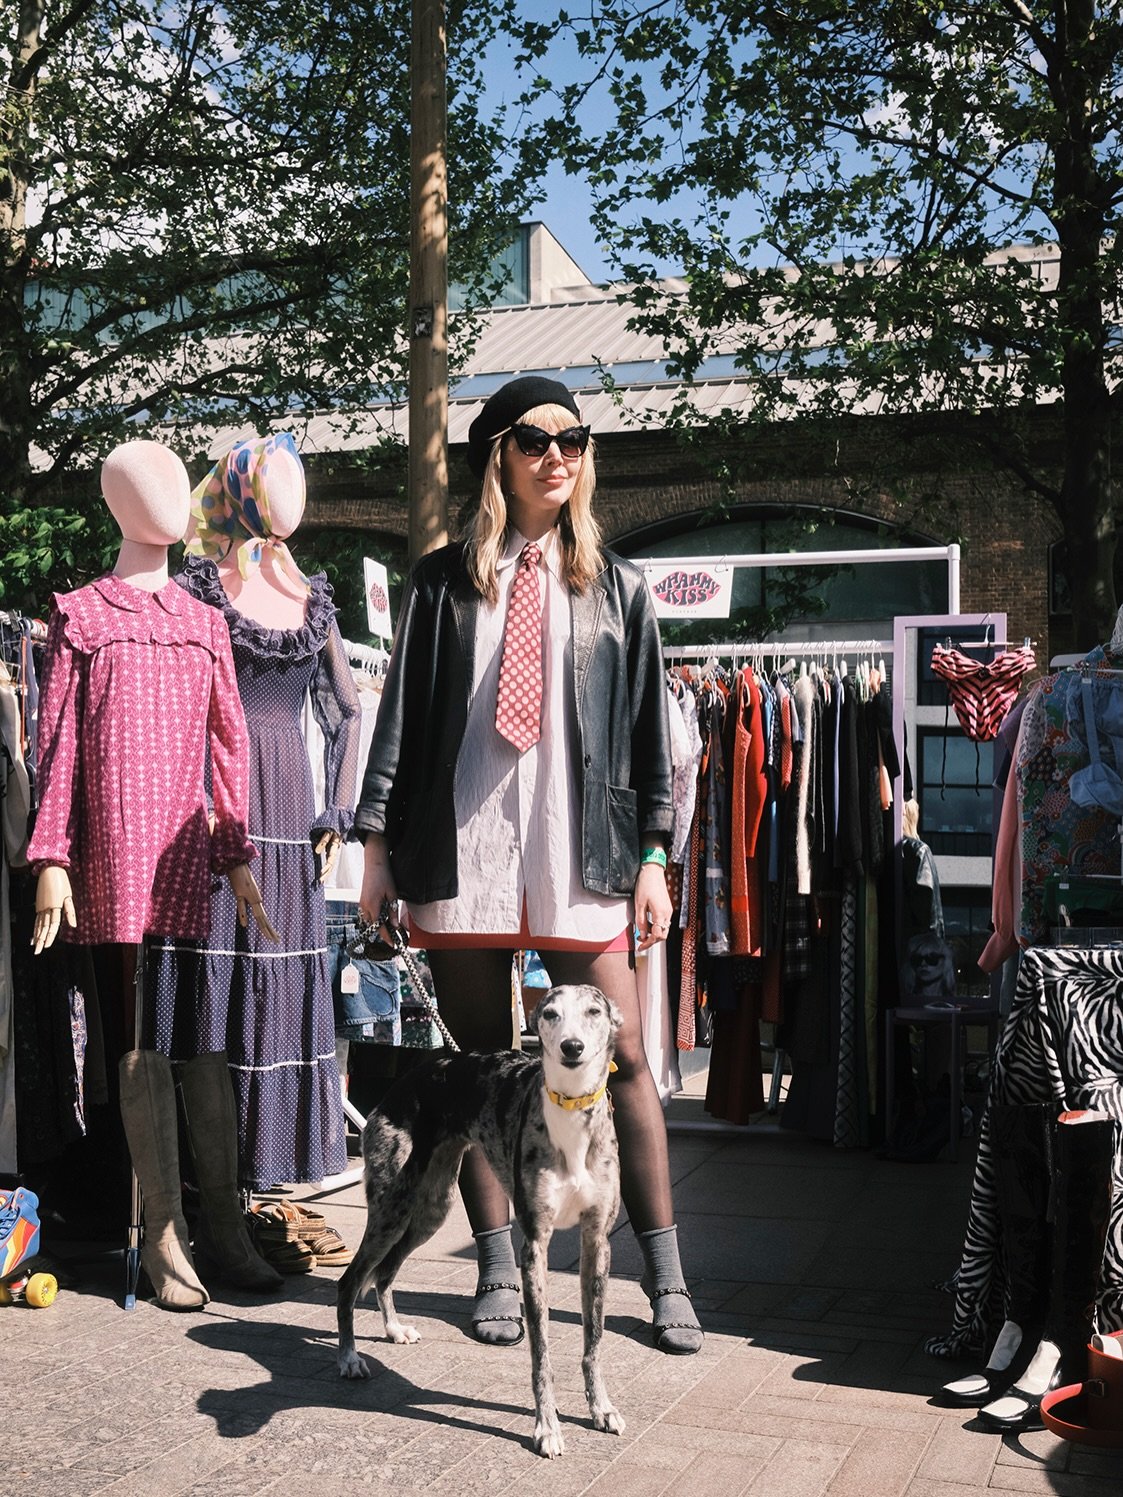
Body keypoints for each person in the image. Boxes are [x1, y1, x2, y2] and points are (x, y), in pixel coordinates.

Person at [354, 376, 703, 1355]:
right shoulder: (440, 583)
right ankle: (500, 1267)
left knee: (625, 1060)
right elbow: (399, 726)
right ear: (496, 457)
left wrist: (653, 857)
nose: (558, 455)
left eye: (574, 440)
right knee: (478, 1076)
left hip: (580, 855)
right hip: (462, 852)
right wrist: (375, 848)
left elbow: (648, 740)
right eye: (536, 439)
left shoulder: (618, 587)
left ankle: (665, 1275)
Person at [27, 439, 282, 1309]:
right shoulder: (81, 615)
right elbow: (56, 744)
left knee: (198, 1037)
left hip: (184, 853)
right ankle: (164, 1234)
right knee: (134, 1034)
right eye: (150, 483)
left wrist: (235, 849)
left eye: (179, 480)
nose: (174, 497)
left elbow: (229, 744)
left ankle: (225, 1228)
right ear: (114, 500)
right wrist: (52, 855)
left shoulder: (203, 621)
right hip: (109, 852)